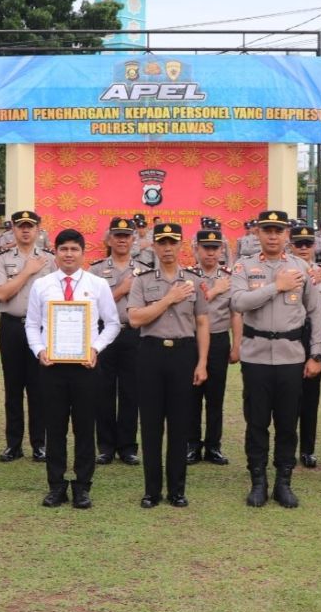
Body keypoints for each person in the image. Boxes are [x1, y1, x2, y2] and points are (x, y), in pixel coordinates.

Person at [230, 210, 321, 508]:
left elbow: (315, 312)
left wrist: (317, 353)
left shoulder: (302, 267)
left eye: (278, 230)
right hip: (256, 354)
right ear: (257, 233)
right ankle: (258, 481)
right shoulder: (244, 267)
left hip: (291, 356)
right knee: (256, 422)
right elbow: (239, 302)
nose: (272, 236)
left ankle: (284, 482)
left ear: (287, 235)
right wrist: (277, 287)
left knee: (287, 423)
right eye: (267, 230)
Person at [25, 229, 120, 509]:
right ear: (55, 252)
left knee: (84, 428)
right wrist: (39, 350)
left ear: (83, 253)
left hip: (85, 367)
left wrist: (95, 348)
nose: (68, 254)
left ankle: (82, 486)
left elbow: (113, 323)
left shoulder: (97, 284)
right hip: (51, 366)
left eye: (73, 249)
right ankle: (55, 486)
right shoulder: (42, 285)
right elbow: (31, 324)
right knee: (54, 428)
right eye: (63, 249)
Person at [126, 223, 209, 508]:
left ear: (182, 244)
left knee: (180, 424)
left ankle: (177, 490)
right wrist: (169, 299)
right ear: (154, 246)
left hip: (184, 353)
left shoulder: (194, 281)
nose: (168, 248)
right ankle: (152, 491)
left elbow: (202, 322)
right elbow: (136, 319)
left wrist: (202, 362)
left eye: (173, 242)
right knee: (150, 425)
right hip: (151, 353)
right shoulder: (142, 280)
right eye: (162, 242)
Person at [0, 210, 56, 463]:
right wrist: (27, 271)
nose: (26, 230)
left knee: (39, 388)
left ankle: (39, 444)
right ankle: (13, 444)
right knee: (13, 387)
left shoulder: (50, 260)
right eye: (21, 226)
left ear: (38, 229)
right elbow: (1, 295)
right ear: (13, 230)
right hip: (12, 328)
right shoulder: (2, 259)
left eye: (30, 226)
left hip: (40, 329)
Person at [91, 217, 142, 466]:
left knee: (131, 392)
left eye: (126, 235)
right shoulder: (96, 270)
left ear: (134, 239)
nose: (122, 240)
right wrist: (121, 289)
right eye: (117, 235)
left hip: (134, 334)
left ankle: (128, 447)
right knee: (103, 391)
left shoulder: (145, 269)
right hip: (104, 334)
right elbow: (91, 305)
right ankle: (105, 446)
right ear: (109, 239)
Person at [188, 229, 240, 465]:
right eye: (205, 248)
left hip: (219, 339)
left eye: (214, 248)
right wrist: (216, 290)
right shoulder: (188, 276)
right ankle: (192, 445)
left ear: (221, 250)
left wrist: (237, 344)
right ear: (196, 249)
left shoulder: (229, 277)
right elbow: (185, 307)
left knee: (215, 396)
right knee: (192, 396)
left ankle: (213, 446)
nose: (210, 253)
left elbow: (236, 313)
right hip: (192, 341)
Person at [291, 225, 321, 468]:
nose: (303, 248)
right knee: (287, 397)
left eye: (308, 243)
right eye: (299, 243)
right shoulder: (283, 272)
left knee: (310, 398)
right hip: (288, 335)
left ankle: (307, 449)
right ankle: (286, 447)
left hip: (314, 336)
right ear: (291, 246)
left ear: (314, 246)